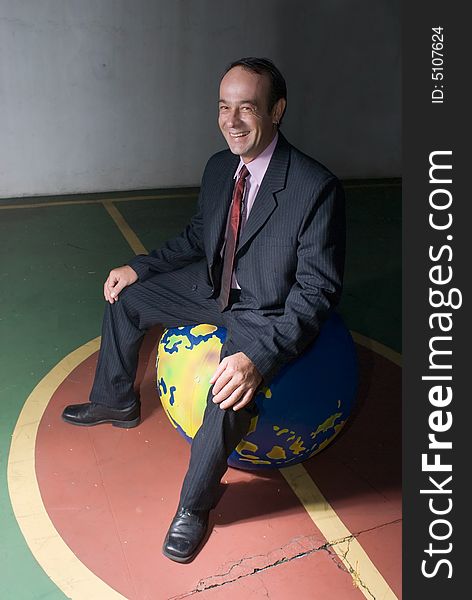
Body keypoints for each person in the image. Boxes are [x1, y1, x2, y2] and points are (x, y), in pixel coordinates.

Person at [62, 57, 346, 563]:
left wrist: (258, 356)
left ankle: (195, 506)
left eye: (247, 108)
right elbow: (200, 236)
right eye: (223, 107)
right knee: (125, 297)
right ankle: (115, 401)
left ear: (277, 110)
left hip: (264, 309)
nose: (232, 121)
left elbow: (317, 293)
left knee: (226, 392)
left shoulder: (314, 187)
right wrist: (141, 267)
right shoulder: (219, 167)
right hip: (212, 286)